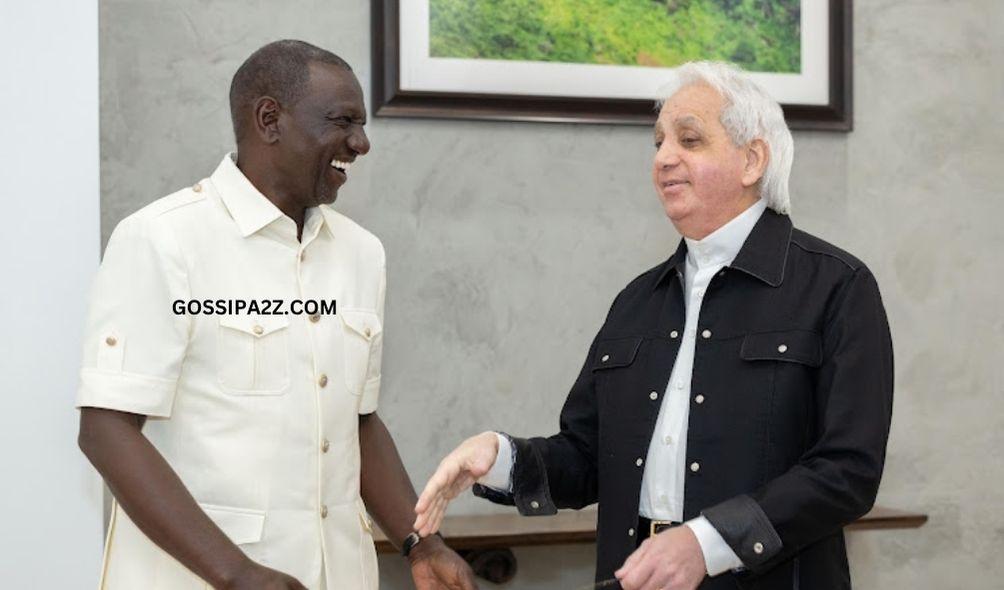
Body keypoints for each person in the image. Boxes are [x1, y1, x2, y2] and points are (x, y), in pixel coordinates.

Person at [414, 61, 894, 590]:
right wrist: (500, 457)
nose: (665, 158)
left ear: (752, 159)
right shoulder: (637, 301)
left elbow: (846, 472)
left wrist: (705, 543)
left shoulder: (836, 286)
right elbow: (588, 458)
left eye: (689, 140)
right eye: (659, 141)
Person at [77, 40, 477, 590]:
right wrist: (235, 573)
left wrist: (422, 542)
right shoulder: (163, 239)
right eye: (342, 121)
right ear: (269, 119)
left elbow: (356, 421)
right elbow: (106, 430)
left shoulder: (363, 253)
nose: (360, 143)